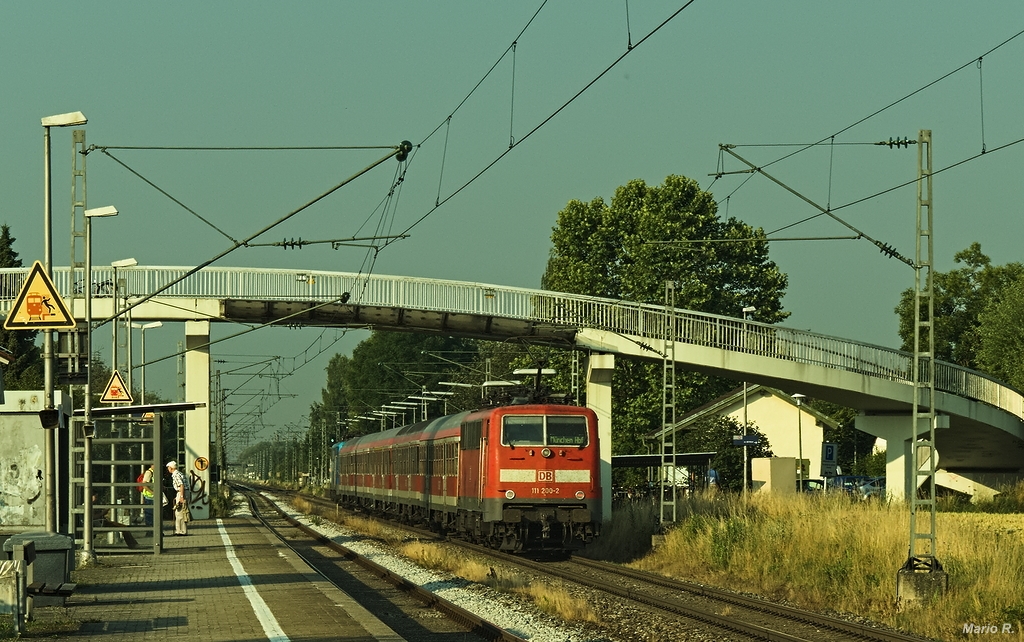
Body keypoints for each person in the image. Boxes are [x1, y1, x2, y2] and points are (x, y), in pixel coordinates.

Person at [167, 461, 189, 536]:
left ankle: (180, 531)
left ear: (171, 468)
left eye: (168, 467)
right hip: (185, 492)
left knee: (179, 512)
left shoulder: (175, 475)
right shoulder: (180, 473)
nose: (168, 469)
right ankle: (182, 530)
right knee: (182, 512)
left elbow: (181, 485)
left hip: (181, 492)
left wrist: (181, 496)